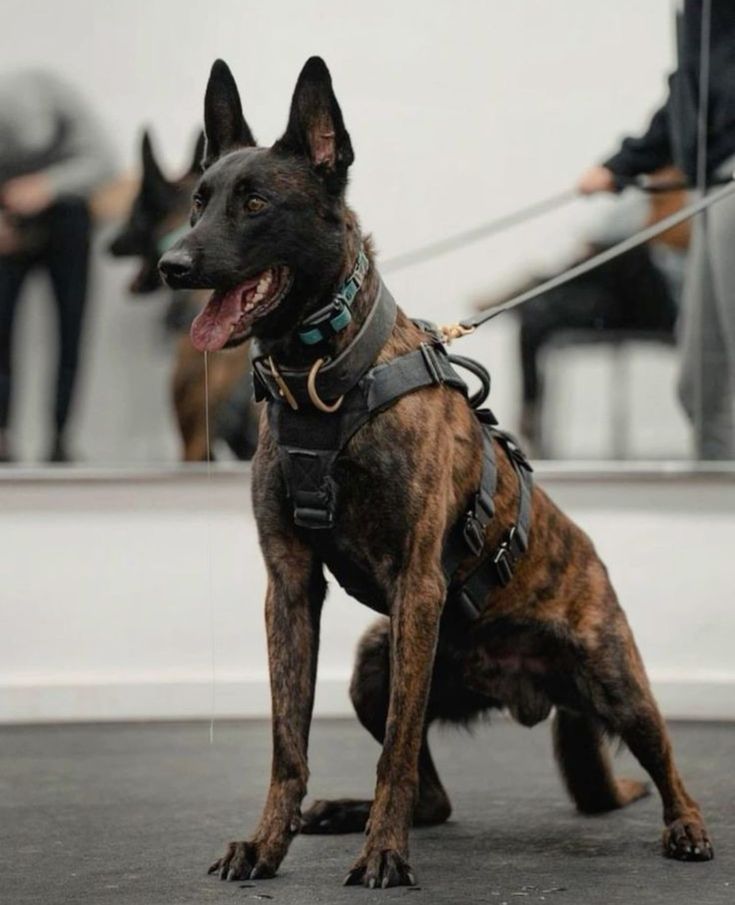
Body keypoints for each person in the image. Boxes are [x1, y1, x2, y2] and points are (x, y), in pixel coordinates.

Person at [578, 0, 735, 460]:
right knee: (703, 386)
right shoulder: (699, 13)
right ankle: (720, 522)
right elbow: (689, 96)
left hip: (728, 182)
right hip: (711, 185)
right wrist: (623, 165)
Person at [0, 69, 115, 462]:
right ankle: (1, 436)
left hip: (66, 221)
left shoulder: (64, 101)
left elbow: (106, 162)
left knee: (71, 328)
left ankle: (61, 438)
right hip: (7, 227)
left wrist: (47, 186)